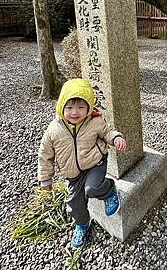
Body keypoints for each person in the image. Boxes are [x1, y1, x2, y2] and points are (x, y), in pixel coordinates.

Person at [37, 78, 128, 248]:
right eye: (69, 107)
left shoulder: (94, 121)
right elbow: (45, 154)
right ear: (61, 106)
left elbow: (107, 131)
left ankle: (109, 191)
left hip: (95, 164)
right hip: (72, 173)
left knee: (92, 189)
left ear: (88, 108)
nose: (75, 112)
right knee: (75, 206)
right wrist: (45, 178)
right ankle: (82, 225)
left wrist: (116, 138)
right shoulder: (53, 130)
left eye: (81, 107)